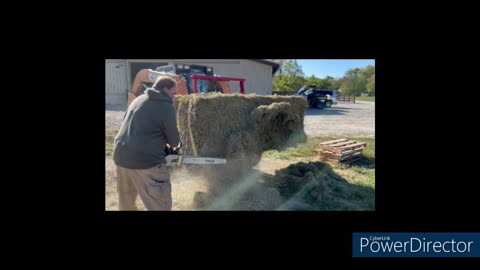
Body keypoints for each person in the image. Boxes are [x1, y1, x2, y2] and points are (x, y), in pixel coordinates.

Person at [113, 76, 180, 211]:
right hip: (146, 161)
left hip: (121, 156)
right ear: (165, 89)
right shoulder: (166, 107)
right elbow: (174, 141)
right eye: (173, 93)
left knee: (126, 202)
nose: (174, 97)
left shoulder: (137, 100)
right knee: (160, 203)